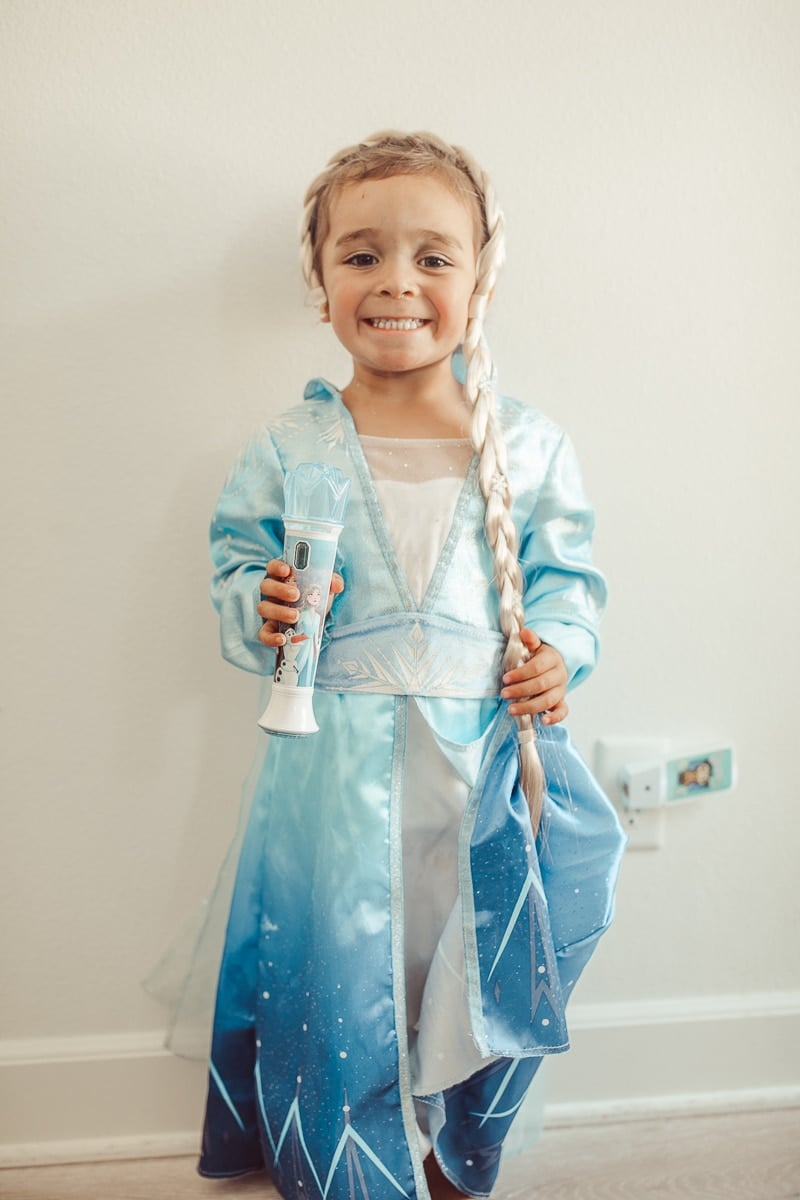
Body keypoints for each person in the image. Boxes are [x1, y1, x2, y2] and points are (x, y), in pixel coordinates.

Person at [198, 131, 626, 1200]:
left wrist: (558, 654)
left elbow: (567, 583)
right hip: (328, 777)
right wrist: (265, 602)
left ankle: (447, 1155)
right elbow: (238, 572)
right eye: (361, 255)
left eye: (433, 257)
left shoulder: (524, 447)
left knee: (461, 974)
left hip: (478, 772)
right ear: (320, 277)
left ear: (479, 279)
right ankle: (342, 1168)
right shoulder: (293, 445)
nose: (396, 282)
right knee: (340, 979)